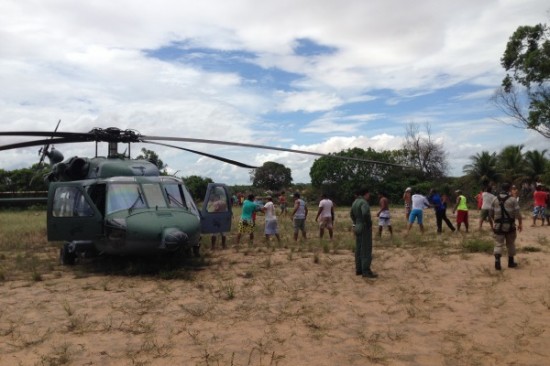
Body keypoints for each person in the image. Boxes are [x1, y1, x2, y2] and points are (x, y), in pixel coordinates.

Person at [490, 182, 523, 270]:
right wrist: (520, 224)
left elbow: (491, 214)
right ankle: (511, 262)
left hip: (498, 226)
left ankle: (497, 260)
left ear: (501, 188)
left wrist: (495, 222)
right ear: (509, 189)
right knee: (510, 243)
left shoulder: (494, 199)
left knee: (498, 243)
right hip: (510, 226)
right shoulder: (513, 200)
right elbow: (518, 214)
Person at [350, 187, 377, 278]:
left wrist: (355, 222)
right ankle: (366, 271)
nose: (369, 196)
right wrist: (368, 223)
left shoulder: (355, 202)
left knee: (358, 249)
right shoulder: (364, 202)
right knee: (365, 249)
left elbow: (351, 214)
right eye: (369, 194)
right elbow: (365, 213)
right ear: (366, 194)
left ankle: (359, 269)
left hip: (357, 226)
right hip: (364, 227)